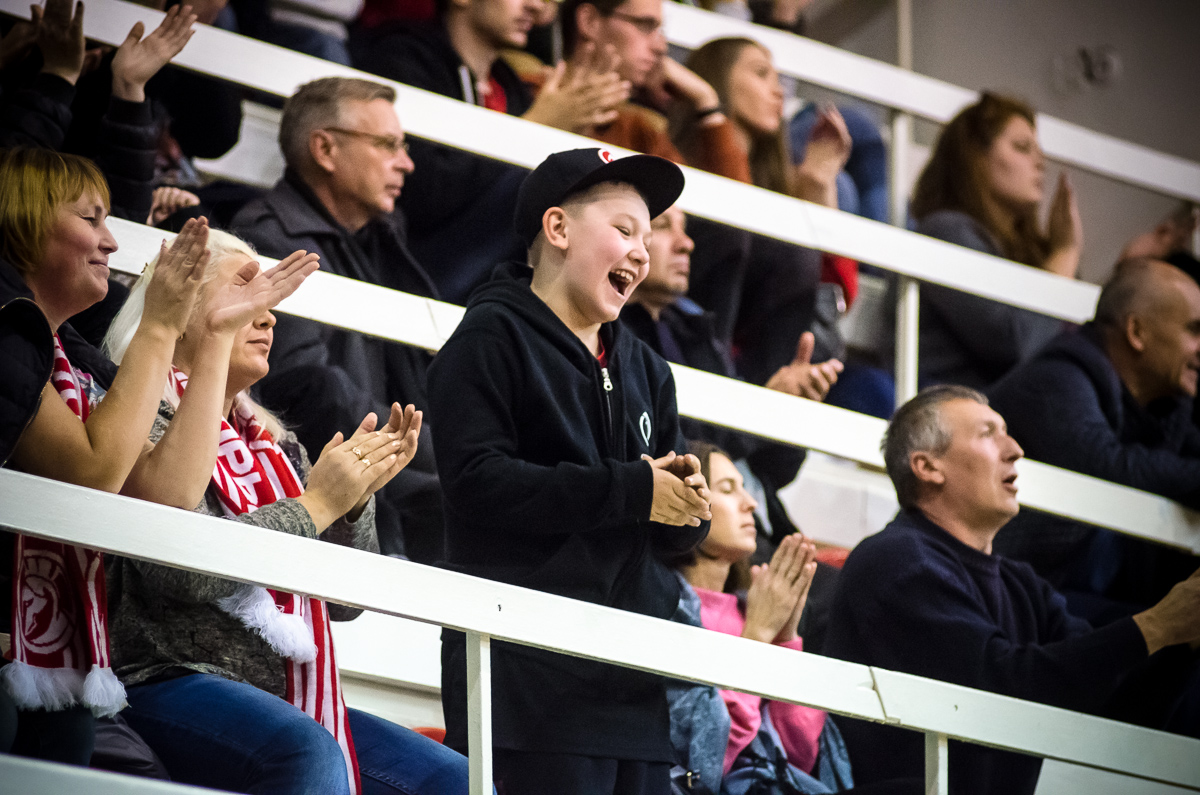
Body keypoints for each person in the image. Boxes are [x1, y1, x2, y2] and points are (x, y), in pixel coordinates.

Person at [101, 230, 471, 795]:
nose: (269, 316)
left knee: (459, 780)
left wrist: (352, 504)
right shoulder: (133, 418)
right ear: (182, 308)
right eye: (247, 293)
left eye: (272, 301)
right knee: (307, 751)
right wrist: (316, 503)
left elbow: (345, 605)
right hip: (160, 677)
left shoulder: (277, 446)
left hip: (284, 695)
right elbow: (183, 574)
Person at [0, 147, 315, 763]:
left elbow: (164, 495)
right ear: (23, 221)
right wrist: (161, 325)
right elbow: (101, 479)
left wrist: (215, 334)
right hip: (137, 668)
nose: (112, 241)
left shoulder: (69, 360)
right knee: (301, 755)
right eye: (90, 218)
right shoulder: (19, 337)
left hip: (60, 665)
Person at [428, 147, 711, 794]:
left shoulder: (648, 369)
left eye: (648, 238)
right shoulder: (489, 337)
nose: (641, 252)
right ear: (557, 228)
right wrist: (633, 489)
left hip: (631, 684)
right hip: (523, 682)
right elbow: (477, 482)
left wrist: (686, 509)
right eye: (624, 230)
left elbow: (665, 531)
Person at [824, 385, 1200, 795]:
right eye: (988, 434)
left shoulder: (1022, 584)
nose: (1016, 449)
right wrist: (1158, 626)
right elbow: (999, 689)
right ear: (928, 467)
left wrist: (1185, 641)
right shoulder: (896, 560)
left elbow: (1109, 700)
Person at [231, 76, 445, 561]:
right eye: (387, 144)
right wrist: (443, 452)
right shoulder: (272, 238)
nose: (406, 162)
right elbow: (310, 390)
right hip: (321, 508)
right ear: (325, 149)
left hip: (380, 497)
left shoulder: (381, 237)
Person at [350, 0, 630, 301]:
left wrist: (564, 137)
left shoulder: (509, 85)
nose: (536, 7)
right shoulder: (402, 58)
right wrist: (532, 129)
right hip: (411, 271)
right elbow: (419, 193)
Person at [622, 203, 842, 562]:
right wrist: (762, 411)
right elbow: (678, 451)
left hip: (752, 530)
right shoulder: (615, 337)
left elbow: (774, 471)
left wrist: (789, 415)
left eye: (685, 228)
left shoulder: (698, 332)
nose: (686, 243)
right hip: (683, 537)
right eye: (663, 227)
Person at [988, 258, 1200, 618]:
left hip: (1064, 595)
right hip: (1010, 600)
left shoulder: (1166, 405)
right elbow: (1106, 466)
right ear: (1137, 332)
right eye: (1194, 331)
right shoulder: (1055, 379)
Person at [909, 92, 1082, 390]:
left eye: (1038, 151)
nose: (1040, 162)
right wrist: (1065, 253)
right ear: (975, 156)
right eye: (1022, 148)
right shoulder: (946, 232)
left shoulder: (1026, 252)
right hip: (950, 406)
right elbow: (1016, 344)